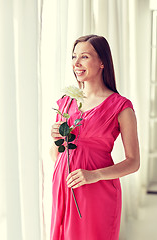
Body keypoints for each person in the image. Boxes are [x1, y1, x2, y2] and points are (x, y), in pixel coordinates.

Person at [50, 34, 140, 240]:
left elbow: (134, 162)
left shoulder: (121, 106)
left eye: (84, 57)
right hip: (64, 187)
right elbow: (55, 155)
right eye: (74, 57)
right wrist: (55, 137)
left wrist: (95, 175)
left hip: (97, 190)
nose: (76, 63)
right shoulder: (65, 102)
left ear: (102, 62)